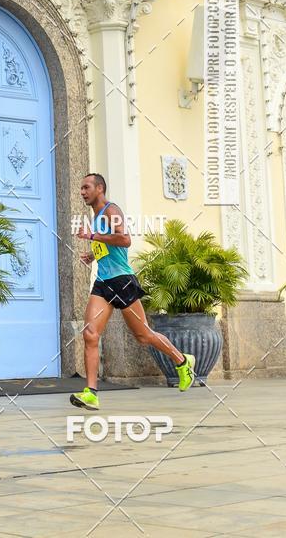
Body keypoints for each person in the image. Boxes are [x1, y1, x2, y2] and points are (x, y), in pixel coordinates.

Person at [70, 173, 195, 411]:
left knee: (143, 335)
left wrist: (92, 236)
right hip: (103, 282)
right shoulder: (95, 216)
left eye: (86, 187)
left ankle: (182, 361)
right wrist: (93, 254)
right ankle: (91, 393)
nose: (82, 192)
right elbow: (109, 245)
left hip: (123, 281)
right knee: (90, 334)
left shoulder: (110, 210)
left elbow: (124, 240)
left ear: (100, 188)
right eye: (81, 188)